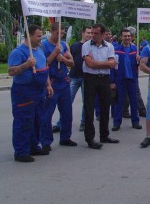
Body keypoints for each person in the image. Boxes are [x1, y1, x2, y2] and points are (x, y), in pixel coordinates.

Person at [8, 24, 52, 162]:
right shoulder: (18, 52)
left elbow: (44, 68)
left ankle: (34, 146)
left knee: (38, 120)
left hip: (39, 90)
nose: (41, 39)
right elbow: (11, 71)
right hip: (24, 91)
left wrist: (48, 84)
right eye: (38, 36)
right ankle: (21, 151)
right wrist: (26, 65)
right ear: (29, 35)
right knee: (24, 121)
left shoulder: (39, 50)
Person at [40, 22, 76, 150]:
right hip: (52, 82)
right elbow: (43, 63)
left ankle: (65, 137)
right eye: (58, 33)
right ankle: (46, 141)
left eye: (62, 33)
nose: (60, 35)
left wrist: (64, 59)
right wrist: (54, 54)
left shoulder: (64, 45)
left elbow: (72, 62)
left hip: (64, 82)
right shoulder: (43, 45)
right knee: (47, 113)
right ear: (52, 31)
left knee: (67, 112)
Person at [82, 23, 118, 149]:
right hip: (90, 78)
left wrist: (96, 63)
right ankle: (90, 138)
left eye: (96, 33)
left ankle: (104, 135)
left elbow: (112, 64)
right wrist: (105, 63)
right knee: (89, 109)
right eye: (91, 33)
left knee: (105, 108)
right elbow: (89, 64)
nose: (92, 35)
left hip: (104, 79)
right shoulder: (86, 45)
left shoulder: (109, 46)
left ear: (103, 34)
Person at [111, 28, 142, 131]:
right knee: (119, 102)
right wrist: (112, 81)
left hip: (132, 79)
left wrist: (139, 60)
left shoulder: (135, 50)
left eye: (129, 36)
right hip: (120, 79)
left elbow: (140, 65)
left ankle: (135, 122)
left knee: (134, 101)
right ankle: (116, 123)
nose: (127, 37)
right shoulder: (116, 50)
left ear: (131, 37)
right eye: (125, 36)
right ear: (121, 37)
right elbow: (112, 67)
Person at [68, 26, 91, 132]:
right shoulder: (75, 45)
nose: (90, 35)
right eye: (88, 33)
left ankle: (84, 123)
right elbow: (69, 59)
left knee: (86, 102)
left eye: (91, 33)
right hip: (73, 77)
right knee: (67, 101)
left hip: (86, 77)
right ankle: (62, 123)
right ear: (82, 33)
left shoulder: (92, 47)